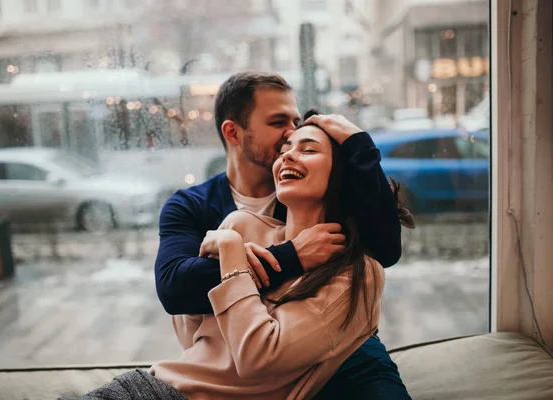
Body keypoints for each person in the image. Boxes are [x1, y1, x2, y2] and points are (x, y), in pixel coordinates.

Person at [68, 113, 415, 400]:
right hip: (159, 388)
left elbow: (256, 359)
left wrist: (232, 253)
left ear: (340, 177)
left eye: (307, 149)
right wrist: (229, 260)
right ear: (233, 131)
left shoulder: (355, 273)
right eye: (284, 144)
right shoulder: (238, 222)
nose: (287, 153)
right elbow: (196, 340)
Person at [154, 72, 410, 398]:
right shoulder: (193, 206)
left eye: (295, 120)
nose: (290, 132)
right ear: (234, 132)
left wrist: (358, 143)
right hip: (239, 360)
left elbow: (382, 251)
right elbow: (176, 289)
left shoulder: (305, 191)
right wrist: (291, 256)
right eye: (278, 123)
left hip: (339, 351)